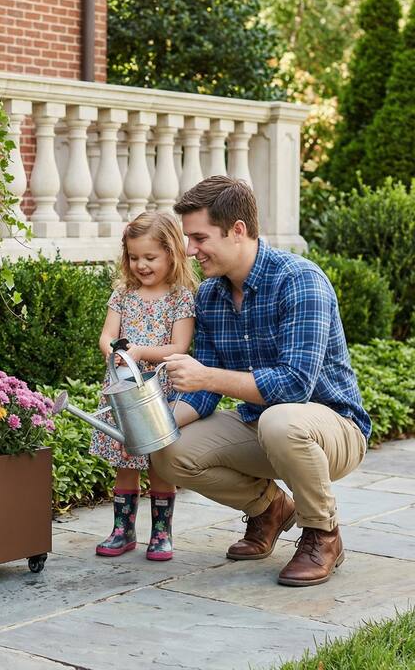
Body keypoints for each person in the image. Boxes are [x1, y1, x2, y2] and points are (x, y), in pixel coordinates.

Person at [152, 176, 370, 586]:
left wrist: (207, 375)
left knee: (281, 419)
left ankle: (323, 534)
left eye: (199, 238)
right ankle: (269, 509)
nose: (190, 250)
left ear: (237, 230)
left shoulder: (300, 280)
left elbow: (294, 386)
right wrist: (150, 425)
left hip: (333, 429)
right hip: (260, 427)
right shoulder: (211, 296)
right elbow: (203, 395)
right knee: (168, 451)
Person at [91, 211, 199, 561]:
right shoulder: (123, 294)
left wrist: (138, 352)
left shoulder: (180, 297)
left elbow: (178, 347)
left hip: (158, 392)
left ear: (172, 253)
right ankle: (123, 531)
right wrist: (115, 352)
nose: (142, 265)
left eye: (150, 257)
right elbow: (107, 336)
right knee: (126, 459)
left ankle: (161, 534)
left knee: (159, 463)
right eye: (134, 257)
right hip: (124, 390)